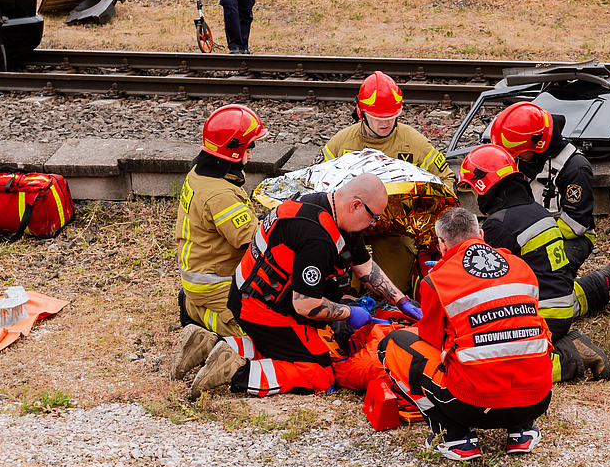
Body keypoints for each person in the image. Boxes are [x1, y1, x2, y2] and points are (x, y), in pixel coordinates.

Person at [190, 173, 420, 399]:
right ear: (356, 205)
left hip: (255, 297)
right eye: (374, 217)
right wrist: (349, 313)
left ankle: (211, 346)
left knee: (299, 347)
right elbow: (306, 305)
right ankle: (236, 373)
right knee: (320, 374)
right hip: (264, 310)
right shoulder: (316, 238)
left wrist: (401, 301)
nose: (373, 225)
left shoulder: (329, 209)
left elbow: (365, 267)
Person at [377, 207, 553, 461]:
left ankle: (453, 436)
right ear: (481, 234)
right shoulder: (520, 266)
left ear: (441, 244)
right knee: (517, 340)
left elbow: (432, 341)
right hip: (537, 397)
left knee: (392, 344)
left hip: (472, 405)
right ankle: (522, 431)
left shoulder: (438, 280)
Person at [459, 146, 610, 384]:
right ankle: (556, 344)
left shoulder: (499, 226)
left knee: (496, 369)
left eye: (472, 188)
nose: (475, 197)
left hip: (541, 316)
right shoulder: (536, 211)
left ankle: (569, 356)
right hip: (559, 308)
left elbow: (485, 285)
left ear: (484, 186)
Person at [489, 101, 610, 317]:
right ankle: (602, 279)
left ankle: (606, 280)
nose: (515, 157)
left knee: (548, 304)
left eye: (519, 152)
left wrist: (533, 242)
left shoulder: (575, 169)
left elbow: (576, 225)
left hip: (571, 238)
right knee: (523, 289)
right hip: (532, 235)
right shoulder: (527, 159)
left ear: (537, 145)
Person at [316, 72, 456, 293]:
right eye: (378, 117)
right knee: (340, 290)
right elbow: (313, 187)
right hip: (348, 228)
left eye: (391, 116)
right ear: (361, 112)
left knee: (395, 290)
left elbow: (446, 180)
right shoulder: (340, 144)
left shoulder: (413, 143)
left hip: (395, 229)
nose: (386, 123)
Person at [172, 104, 268, 377]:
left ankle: (195, 309)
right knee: (271, 332)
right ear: (235, 150)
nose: (252, 152)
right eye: (251, 146)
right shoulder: (221, 194)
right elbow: (252, 242)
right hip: (219, 281)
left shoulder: (200, 175)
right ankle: (219, 339)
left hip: (198, 278)